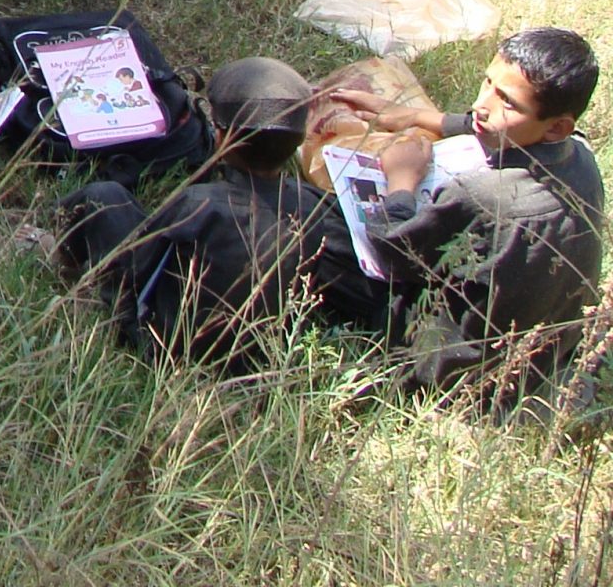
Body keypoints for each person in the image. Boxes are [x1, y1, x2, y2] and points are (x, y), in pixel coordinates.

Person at [325, 28, 604, 400]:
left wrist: (401, 181)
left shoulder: (485, 197)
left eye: (507, 102)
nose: (482, 105)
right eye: (488, 83)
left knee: (322, 231)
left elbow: (392, 252)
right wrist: (415, 116)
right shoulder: (581, 154)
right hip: (551, 353)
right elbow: (481, 122)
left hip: (461, 374)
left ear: (557, 127)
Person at [57, 58, 384, 368]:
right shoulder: (311, 206)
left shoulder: (196, 204)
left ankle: (60, 258)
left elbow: (139, 270)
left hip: (165, 345)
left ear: (221, 135)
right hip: (258, 352)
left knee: (104, 196)